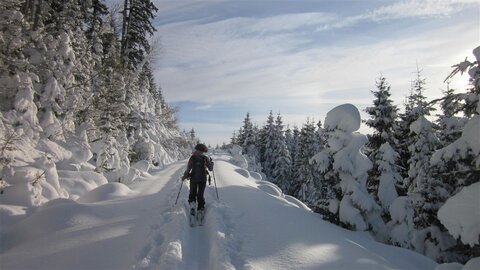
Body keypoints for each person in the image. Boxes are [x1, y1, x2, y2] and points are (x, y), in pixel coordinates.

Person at [182, 143, 214, 212]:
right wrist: (212, 163)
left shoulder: (192, 157)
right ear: (203, 151)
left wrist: (185, 176)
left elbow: (188, 168)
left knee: (192, 193)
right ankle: (201, 208)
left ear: (196, 149)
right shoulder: (205, 158)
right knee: (200, 194)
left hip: (193, 178)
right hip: (203, 179)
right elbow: (211, 169)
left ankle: (193, 206)